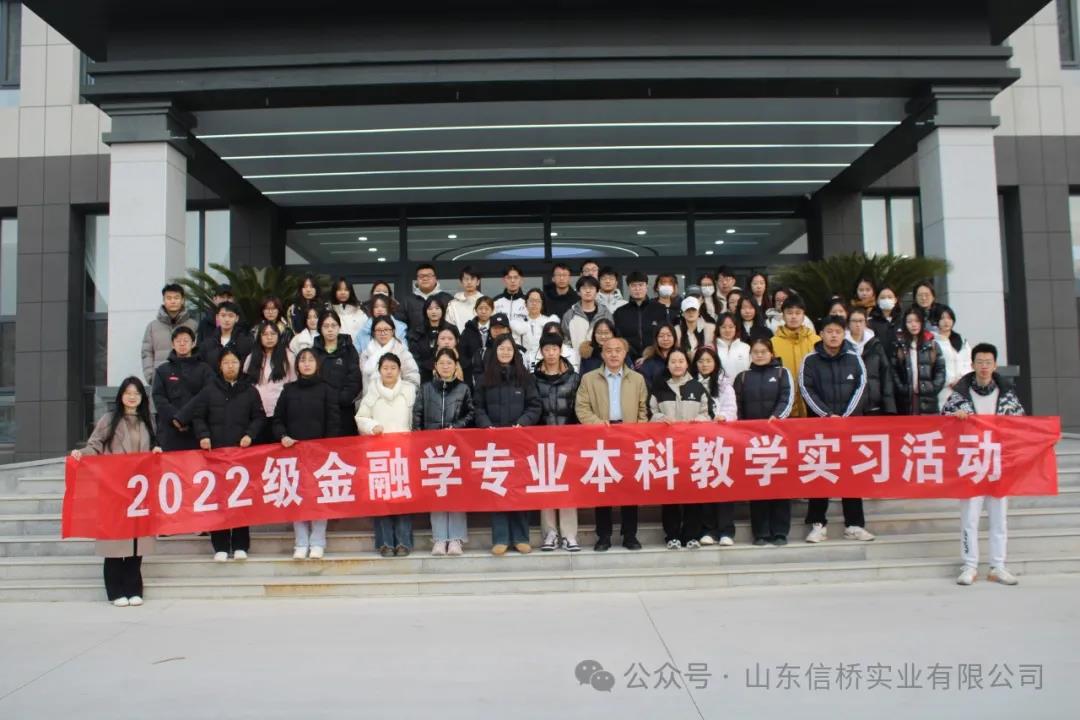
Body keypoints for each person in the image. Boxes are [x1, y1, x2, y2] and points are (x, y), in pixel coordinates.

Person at [71, 377, 162, 607]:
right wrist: (82, 454)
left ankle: (134, 587)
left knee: (137, 541)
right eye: (128, 392)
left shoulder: (148, 421)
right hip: (114, 488)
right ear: (121, 395)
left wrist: (156, 452)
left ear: (142, 398)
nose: (132, 397)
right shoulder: (108, 420)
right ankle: (115, 590)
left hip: (139, 490)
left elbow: (153, 447)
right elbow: (95, 445)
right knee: (114, 541)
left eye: (137, 393)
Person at [942, 343, 1025, 586]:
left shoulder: (1007, 393)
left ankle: (998, 566)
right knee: (970, 518)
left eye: (988, 362)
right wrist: (955, 418)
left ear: (995, 365)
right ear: (973, 364)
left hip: (998, 463)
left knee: (999, 519)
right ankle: (969, 565)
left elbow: (1022, 425)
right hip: (971, 463)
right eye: (980, 362)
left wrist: (1046, 437)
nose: (984, 366)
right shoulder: (959, 395)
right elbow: (942, 424)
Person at [176, 349, 266, 562]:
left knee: (241, 498)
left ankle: (241, 544)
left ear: (240, 364)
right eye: (226, 362)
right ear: (220, 366)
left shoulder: (250, 391)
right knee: (217, 500)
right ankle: (221, 546)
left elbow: (259, 417)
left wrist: (250, 435)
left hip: (241, 454)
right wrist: (204, 436)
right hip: (215, 454)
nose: (230, 366)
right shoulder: (209, 390)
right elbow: (198, 417)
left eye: (234, 362)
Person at [799, 316, 872, 544]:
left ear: (844, 334)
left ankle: (855, 525)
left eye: (838, 331)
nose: (833, 335)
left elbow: (861, 387)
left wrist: (845, 417)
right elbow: (806, 389)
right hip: (820, 429)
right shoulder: (810, 360)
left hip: (848, 428)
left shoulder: (854, 358)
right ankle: (818, 524)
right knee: (819, 473)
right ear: (821, 334)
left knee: (851, 475)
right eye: (829, 331)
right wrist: (827, 416)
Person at [575, 337, 649, 551]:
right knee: (603, 487)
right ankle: (604, 536)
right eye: (609, 350)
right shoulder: (589, 379)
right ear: (602, 354)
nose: (614, 354)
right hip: (601, 438)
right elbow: (582, 408)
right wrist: (598, 424)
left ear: (625, 354)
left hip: (629, 437)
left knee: (629, 487)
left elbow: (643, 409)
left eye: (618, 350)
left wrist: (637, 430)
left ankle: (630, 535)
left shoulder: (637, 379)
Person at [473, 335, 541, 555]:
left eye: (509, 349)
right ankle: (501, 538)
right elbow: (477, 407)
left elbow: (534, 406)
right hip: (494, 444)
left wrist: (522, 423)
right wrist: (486, 426)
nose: (505, 352)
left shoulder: (525, 378)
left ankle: (521, 537)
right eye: (501, 348)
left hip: (519, 442)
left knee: (519, 489)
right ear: (495, 352)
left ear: (515, 352)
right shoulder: (484, 379)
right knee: (498, 488)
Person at [272, 348, 341, 560]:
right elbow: (277, 419)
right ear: (297, 366)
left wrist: (326, 446)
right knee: (297, 496)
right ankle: (301, 542)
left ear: (317, 364)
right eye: (302, 360)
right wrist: (283, 436)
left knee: (318, 496)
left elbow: (334, 421)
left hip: (320, 453)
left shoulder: (326, 389)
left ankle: (318, 542)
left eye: (311, 360)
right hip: (293, 453)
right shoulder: (289, 390)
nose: (307, 363)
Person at [355, 353, 418, 557]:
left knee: (403, 497)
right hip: (379, 454)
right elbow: (361, 417)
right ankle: (385, 543)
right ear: (379, 370)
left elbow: (417, 417)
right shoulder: (372, 392)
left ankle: (403, 542)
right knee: (381, 498)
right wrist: (372, 426)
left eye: (393, 368)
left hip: (404, 453)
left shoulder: (409, 390)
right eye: (385, 368)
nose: (389, 372)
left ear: (399, 370)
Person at [733, 338, 794, 545]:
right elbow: (737, 406)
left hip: (778, 438)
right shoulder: (743, 377)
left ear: (771, 353)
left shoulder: (782, 373)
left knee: (780, 485)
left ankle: (780, 532)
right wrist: (743, 431)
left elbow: (787, 398)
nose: (759, 355)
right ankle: (760, 532)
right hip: (753, 440)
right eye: (755, 352)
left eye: (763, 351)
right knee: (757, 485)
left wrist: (776, 418)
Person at [414, 348, 474, 556]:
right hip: (432, 449)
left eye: (449, 363)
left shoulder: (464, 389)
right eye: (442, 363)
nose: (446, 366)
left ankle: (456, 538)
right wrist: (419, 440)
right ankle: (439, 538)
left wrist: (455, 427)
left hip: (456, 448)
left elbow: (471, 413)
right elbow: (418, 415)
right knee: (437, 491)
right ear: (435, 367)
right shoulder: (426, 389)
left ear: (456, 366)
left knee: (456, 492)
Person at [649, 348, 710, 550]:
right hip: (667, 449)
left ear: (687, 364)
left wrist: (700, 420)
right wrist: (660, 418)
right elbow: (650, 412)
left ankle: (691, 535)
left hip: (693, 449)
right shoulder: (659, 387)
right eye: (673, 361)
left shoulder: (698, 387)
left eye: (681, 361)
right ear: (667, 365)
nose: (677, 364)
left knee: (694, 492)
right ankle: (672, 535)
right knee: (670, 492)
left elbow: (707, 413)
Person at [533, 334, 582, 551]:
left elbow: (579, 408)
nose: (551, 353)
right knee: (547, 486)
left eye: (554, 349)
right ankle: (550, 533)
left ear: (560, 350)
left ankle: (569, 534)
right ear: (541, 352)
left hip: (568, 439)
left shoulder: (574, 378)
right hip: (542, 440)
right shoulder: (533, 378)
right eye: (547, 349)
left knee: (567, 485)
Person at [693, 346, 739, 545]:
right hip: (699, 443)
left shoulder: (725, 386)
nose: (704, 365)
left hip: (722, 441)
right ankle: (708, 530)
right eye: (700, 361)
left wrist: (723, 417)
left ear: (716, 363)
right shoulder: (691, 384)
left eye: (708, 361)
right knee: (704, 485)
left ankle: (726, 530)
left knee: (723, 484)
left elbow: (731, 410)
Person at [152, 326, 213, 451]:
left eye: (186, 340)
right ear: (172, 344)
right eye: (178, 341)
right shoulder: (162, 370)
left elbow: (207, 394)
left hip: (197, 431)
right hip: (170, 432)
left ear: (193, 343)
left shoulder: (205, 369)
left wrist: (183, 417)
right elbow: (159, 397)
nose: (182, 344)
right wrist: (175, 418)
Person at [243, 321, 296, 443]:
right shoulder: (251, 357)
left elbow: (293, 384)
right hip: (257, 414)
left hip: (280, 413)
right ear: (259, 337)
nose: (269, 337)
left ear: (278, 336)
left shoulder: (288, 356)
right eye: (265, 334)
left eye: (273, 334)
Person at [312, 310, 363, 437]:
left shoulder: (349, 349)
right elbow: (311, 378)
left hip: (344, 408)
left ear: (339, 327)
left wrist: (342, 398)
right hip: (320, 408)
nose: (330, 329)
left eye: (333, 325)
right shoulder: (314, 352)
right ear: (320, 329)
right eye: (326, 326)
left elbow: (355, 378)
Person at [769, 295, 820, 418]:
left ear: (804, 315)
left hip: (813, 406)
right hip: (784, 406)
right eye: (789, 313)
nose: (793, 316)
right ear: (783, 315)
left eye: (798, 313)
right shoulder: (773, 343)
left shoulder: (816, 341)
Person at [892, 307, 946, 416]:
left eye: (917, 321)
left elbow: (941, 370)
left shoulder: (932, 345)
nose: (913, 325)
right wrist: (902, 388)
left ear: (922, 323)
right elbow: (893, 371)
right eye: (909, 322)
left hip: (929, 399)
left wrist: (932, 388)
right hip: (906, 399)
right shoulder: (899, 346)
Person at [141, 283, 197, 385]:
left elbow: (198, 352)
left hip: (187, 382)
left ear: (182, 300)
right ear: (164, 300)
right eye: (169, 298)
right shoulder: (152, 327)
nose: (173, 301)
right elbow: (146, 353)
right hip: (160, 380)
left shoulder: (193, 325)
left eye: (176, 298)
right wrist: (151, 376)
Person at [846, 308, 896, 417]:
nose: (858, 324)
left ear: (866, 322)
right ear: (848, 323)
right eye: (854, 321)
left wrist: (889, 405)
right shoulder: (843, 346)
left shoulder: (875, 344)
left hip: (873, 404)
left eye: (861, 321)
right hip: (849, 405)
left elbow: (885, 375)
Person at [361, 316, 421, 391]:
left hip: (397, 395)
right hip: (370, 395)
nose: (382, 333)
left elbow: (412, 377)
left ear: (393, 331)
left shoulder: (401, 351)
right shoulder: (366, 353)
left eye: (386, 329)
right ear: (374, 333)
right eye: (378, 330)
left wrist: (404, 393)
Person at [562, 275, 614, 356]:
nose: (588, 291)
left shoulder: (605, 314)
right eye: (584, 288)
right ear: (578, 292)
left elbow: (612, 337)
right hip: (576, 360)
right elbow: (565, 340)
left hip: (602, 359)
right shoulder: (570, 315)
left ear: (597, 292)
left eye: (591, 288)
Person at [934, 305, 973, 411]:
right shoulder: (934, 342)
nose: (946, 321)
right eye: (942, 318)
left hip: (962, 387)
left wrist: (961, 381)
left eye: (949, 318)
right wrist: (949, 381)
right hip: (943, 388)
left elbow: (968, 362)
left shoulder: (961, 340)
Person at [613, 271, 656, 362]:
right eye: (633, 285)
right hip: (627, 359)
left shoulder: (659, 309)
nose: (637, 289)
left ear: (647, 286)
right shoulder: (620, 312)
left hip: (654, 358)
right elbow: (617, 337)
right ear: (629, 288)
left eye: (640, 285)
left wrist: (649, 354)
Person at [408, 296, 451, 384]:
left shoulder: (451, 329)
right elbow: (414, 357)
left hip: (447, 374)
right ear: (425, 311)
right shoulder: (417, 331)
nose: (433, 311)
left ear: (443, 310)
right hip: (423, 376)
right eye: (430, 309)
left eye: (437, 308)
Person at [198, 301, 254, 370]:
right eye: (223, 315)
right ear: (217, 317)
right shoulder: (208, 343)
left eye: (231, 316)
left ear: (237, 318)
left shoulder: (246, 341)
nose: (227, 319)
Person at [399, 264, 453, 332]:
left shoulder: (447, 298)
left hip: (442, 337)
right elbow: (400, 324)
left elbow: (452, 322)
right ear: (417, 279)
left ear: (435, 278)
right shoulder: (407, 300)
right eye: (421, 276)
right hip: (415, 338)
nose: (425, 279)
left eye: (429, 276)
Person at [513, 288, 559, 369]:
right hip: (524, 364)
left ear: (542, 304)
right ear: (525, 303)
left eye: (538, 301)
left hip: (545, 364)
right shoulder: (518, 324)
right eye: (531, 301)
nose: (534, 304)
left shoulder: (549, 322)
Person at [459, 295, 495, 379]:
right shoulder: (468, 329)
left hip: (493, 371)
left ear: (492, 310)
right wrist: (471, 363)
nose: (483, 311)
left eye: (487, 309)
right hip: (472, 372)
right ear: (475, 310)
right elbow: (462, 352)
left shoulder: (497, 328)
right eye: (480, 308)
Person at [639, 323, 677, 390]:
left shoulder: (681, 357)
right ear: (656, 339)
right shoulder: (648, 362)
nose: (665, 339)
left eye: (669, 335)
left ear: (674, 337)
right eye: (661, 336)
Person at [868, 285, 903, 357]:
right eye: (882, 298)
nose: (886, 300)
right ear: (877, 301)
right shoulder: (870, 323)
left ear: (895, 300)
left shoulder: (903, 321)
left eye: (890, 297)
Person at [715, 312, 751, 379]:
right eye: (723, 327)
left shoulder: (746, 348)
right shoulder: (712, 348)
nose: (727, 330)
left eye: (731, 327)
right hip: (718, 385)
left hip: (742, 385)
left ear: (736, 328)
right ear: (718, 328)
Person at [446, 266, 482, 332]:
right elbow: (449, 327)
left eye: (472, 279)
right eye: (466, 279)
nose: (469, 282)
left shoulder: (486, 303)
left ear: (478, 282)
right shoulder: (453, 305)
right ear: (461, 282)